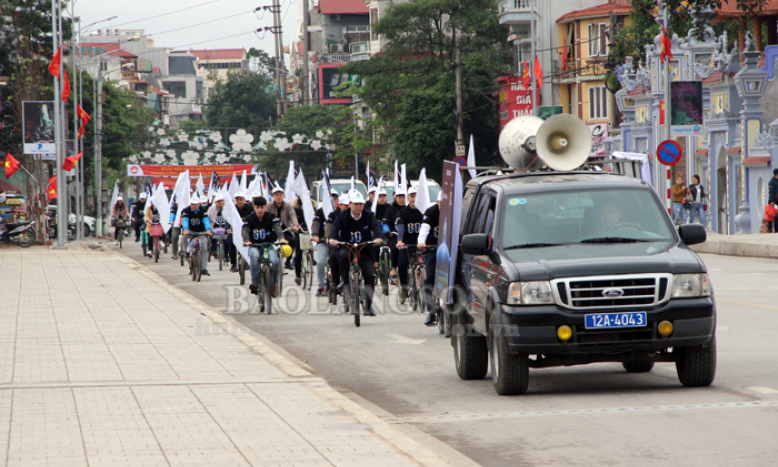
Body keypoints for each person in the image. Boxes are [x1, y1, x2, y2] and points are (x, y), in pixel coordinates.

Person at [328, 190, 385, 316]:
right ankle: (344, 282)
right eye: (356, 204)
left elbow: (376, 228)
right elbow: (334, 228)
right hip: (347, 246)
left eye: (361, 204)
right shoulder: (342, 216)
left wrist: (378, 238)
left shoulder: (369, 215)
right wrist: (332, 239)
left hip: (364, 248)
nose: (359, 206)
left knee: (370, 275)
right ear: (349, 204)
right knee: (342, 256)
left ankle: (368, 306)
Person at [242, 195, 287, 298]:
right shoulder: (249, 218)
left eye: (262, 207)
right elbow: (245, 230)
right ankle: (255, 282)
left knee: (275, 262)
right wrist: (247, 240)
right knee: (254, 257)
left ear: (266, 207)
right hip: (255, 246)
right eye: (257, 207)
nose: (260, 210)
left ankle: (273, 285)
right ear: (254, 207)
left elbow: (277, 228)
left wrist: (281, 238)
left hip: (269, 245)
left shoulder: (272, 217)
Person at [396, 186, 424, 304]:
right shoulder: (402, 212)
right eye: (412, 196)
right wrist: (400, 240)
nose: (414, 198)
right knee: (402, 264)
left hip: (422, 245)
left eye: (416, 196)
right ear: (408, 197)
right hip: (406, 244)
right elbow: (401, 227)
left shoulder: (424, 211)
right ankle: (404, 287)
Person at [418, 192, 441, 325]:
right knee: (430, 277)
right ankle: (431, 312)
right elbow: (425, 228)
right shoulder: (430, 212)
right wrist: (421, 242)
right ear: (437, 202)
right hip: (432, 248)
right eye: (440, 203)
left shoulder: (454, 212)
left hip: (449, 249)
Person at [311, 190, 339, 296]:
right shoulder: (319, 212)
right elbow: (316, 224)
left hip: (336, 242)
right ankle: (321, 286)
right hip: (322, 241)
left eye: (335, 198)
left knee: (336, 259)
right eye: (330, 198)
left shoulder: (339, 212)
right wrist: (315, 235)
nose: (333, 201)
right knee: (321, 262)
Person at [267, 185, 300, 271]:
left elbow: (293, 216)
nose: (278, 196)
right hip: (272, 230)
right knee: (268, 243)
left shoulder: (288, 206)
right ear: (273, 196)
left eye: (280, 194)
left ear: (283, 196)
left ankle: (288, 261)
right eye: (276, 195)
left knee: (292, 241)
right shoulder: (269, 206)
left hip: (286, 230)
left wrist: (295, 225)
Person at [181, 195, 212, 276]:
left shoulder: (203, 210)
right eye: (192, 204)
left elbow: (206, 220)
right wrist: (186, 229)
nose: (193, 206)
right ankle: (185, 252)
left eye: (195, 204)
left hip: (201, 231)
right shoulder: (186, 210)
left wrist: (208, 229)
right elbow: (185, 220)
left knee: (204, 247)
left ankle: (203, 268)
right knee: (183, 238)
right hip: (190, 230)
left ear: (199, 204)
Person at [208, 193, 238, 272]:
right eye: (218, 201)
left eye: (221, 201)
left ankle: (226, 254)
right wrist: (209, 229)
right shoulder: (211, 209)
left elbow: (230, 219)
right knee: (213, 239)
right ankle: (213, 251)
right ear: (215, 202)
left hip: (225, 228)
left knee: (227, 241)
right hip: (214, 227)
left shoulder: (227, 209)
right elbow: (207, 218)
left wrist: (229, 228)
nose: (220, 203)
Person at [382, 189, 407, 285]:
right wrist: (387, 231)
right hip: (394, 236)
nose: (401, 199)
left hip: (408, 237)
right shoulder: (390, 210)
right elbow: (385, 223)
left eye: (403, 197)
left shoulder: (410, 209)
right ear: (395, 198)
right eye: (399, 197)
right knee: (394, 246)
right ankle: (394, 269)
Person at [292, 197, 309, 285]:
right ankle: (298, 275)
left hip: (309, 231)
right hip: (299, 231)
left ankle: (310, 258)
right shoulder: (295, 209)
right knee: (298, 254)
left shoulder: (311, 208)